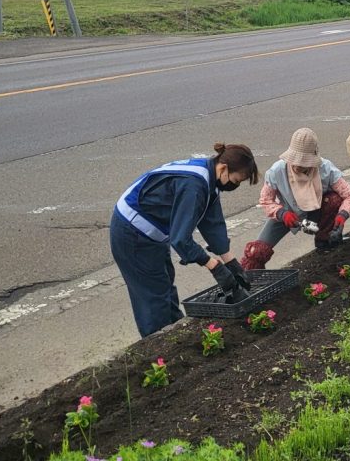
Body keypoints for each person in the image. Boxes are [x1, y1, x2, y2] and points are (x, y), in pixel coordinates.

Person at [110, 143, 259, 337]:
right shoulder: (194, 185)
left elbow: (212, 223)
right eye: (236, 179)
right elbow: (181, 239)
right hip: (132, 234)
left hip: (152, 233)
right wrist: (215, 267)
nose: (235, 185)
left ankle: (174, 333)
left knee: (165, 285)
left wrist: (232, 263)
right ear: (223, 167)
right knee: (153, 295)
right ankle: (158, 347)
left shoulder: (210, 179)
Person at [240, 128, 350, 270]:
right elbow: (266, 200)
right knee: (257, 252)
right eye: (294, 160)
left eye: (303, 163)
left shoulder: (325, 168)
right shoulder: (277, 171)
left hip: (319, 212)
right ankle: (249, 282)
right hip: (288, 214)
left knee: (334, 200)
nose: (297, 165)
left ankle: (325, 243)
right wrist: (281, 213)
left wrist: (342, 216)